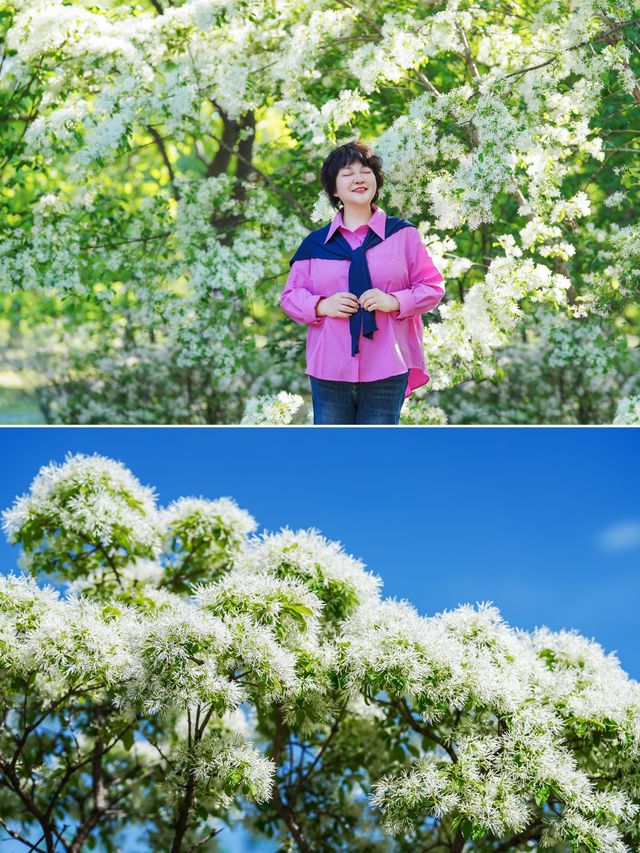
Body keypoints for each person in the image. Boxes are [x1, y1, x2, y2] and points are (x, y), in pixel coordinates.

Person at [280, 140, 445, 425]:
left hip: (387, 364)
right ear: (334, 189)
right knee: (333, 455)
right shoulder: (316, 244)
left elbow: (432, 287)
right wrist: (321, 306)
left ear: (376, 180)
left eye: (365, 171)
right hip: (330, 367)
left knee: (377, 456)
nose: (358, 178)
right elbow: (290, 297)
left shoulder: (403, 236)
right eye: (347, 173)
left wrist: (395, 301)